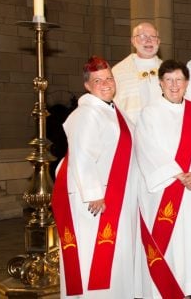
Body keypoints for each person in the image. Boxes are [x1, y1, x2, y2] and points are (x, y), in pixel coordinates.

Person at [51, 56, 139, 298]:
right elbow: (82, 155)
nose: (106, 83)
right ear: (87, 86)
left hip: (116, 194)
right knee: (94, 256)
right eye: (98, 80)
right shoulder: (88, 113)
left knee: (115, 256)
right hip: (95, 199)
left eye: (109, 78)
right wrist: (94, 194)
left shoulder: (111, 109)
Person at [134, 59, 191, 299]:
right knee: (170, 244)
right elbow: (146, 148)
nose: (174, 85)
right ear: (160, 83)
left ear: (186, 83)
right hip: (165, 189)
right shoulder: (149, 113)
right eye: (168, 80)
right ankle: (164, 288)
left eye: (179, 80)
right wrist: (177, 174)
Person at [112, 22, 163, 123]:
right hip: (132, 129)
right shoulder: (118, 71)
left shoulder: (169, 70)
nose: (148, 40)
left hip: (163, 127)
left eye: (153, 36)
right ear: (133, 41)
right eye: (142, 36)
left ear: (158, 41)